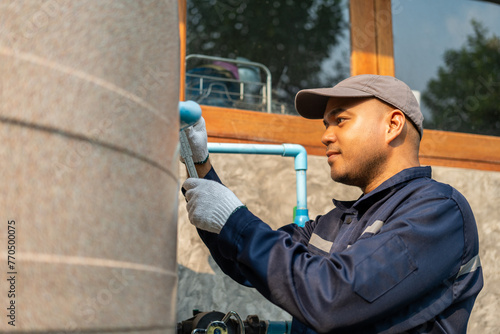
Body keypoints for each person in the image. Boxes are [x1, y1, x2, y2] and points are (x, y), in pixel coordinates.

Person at [181, 74, 483, 333]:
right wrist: (201, 165)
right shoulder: (334, 223)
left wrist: (234, 220)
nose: (325, 136)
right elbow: (248, 263)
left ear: (392, 125)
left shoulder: (438, 212)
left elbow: (333, 298)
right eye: (326, 124)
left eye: (340, 120)